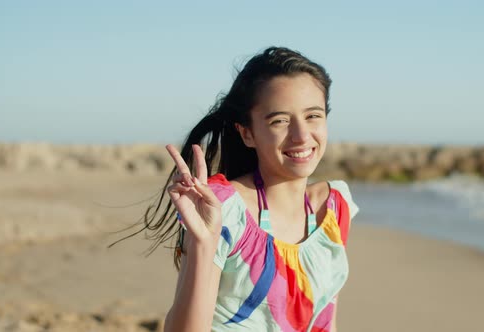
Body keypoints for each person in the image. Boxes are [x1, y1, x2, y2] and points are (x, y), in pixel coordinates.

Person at [143, 46, 359, 331]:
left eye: (313, 116)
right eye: (279, 120)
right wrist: (205, 244)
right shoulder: (222, 209)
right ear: (247, 133)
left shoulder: (334, 205)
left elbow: (324, 319)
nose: (302, 135)